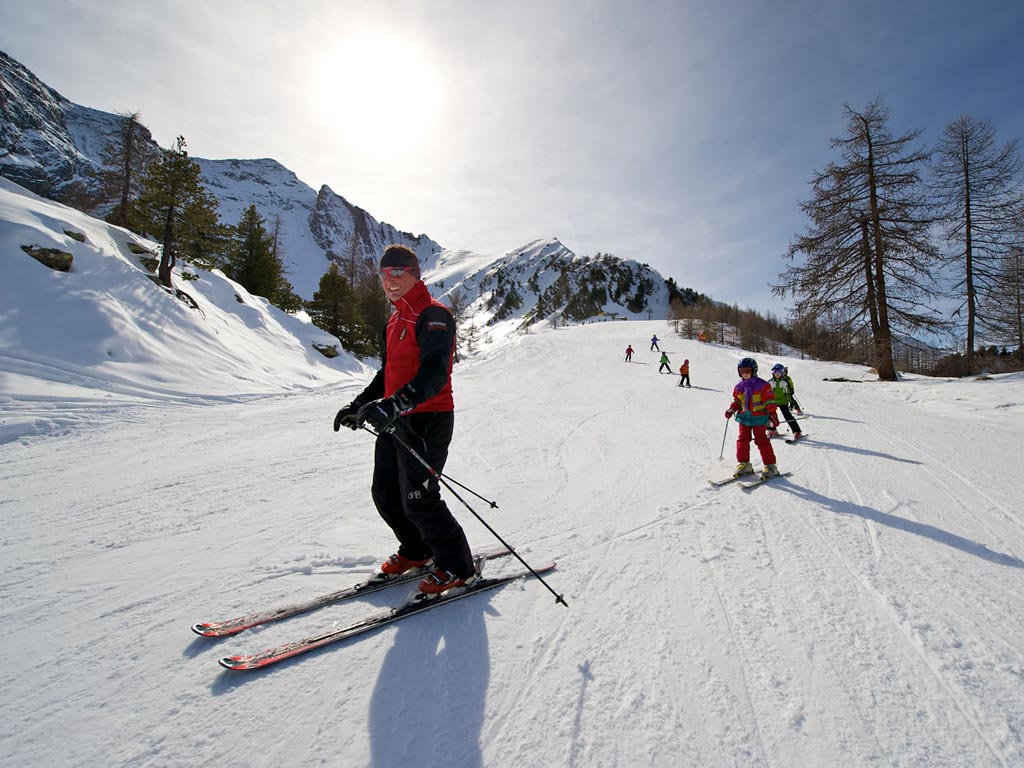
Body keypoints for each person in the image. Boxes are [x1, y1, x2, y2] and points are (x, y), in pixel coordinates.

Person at [333, 244, 474, 595]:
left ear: (415, 275)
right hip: (396, 420)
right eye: (384, 273)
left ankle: (459, 567)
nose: (390, 279)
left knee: (420, 499)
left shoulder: (433, 315)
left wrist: (396, 404)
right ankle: (417, 551)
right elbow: (388, 374)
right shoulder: (395, 320)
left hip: (428, 418)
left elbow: (435, 373)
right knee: (386, 493)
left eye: (398, 272)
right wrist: (360, 404)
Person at [724, 357, 780, 480]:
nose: (745, 374)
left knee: (762, 441)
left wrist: (772, 415)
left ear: (754, 371)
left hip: (759, 419)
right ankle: (744, 464)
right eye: (742, 371)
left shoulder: (763, 385)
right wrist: (731, 409)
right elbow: (738, 401)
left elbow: (770, 401)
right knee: (742, 440)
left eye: (747, 371)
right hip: (744, 419)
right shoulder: (738, 387)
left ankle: (770, 466)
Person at [769, 363, 803, 440]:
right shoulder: (770, 382)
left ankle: (797, 431)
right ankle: (772, 430)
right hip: (773, 403)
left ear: (782, 372)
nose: (777, 374)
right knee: (770, 417)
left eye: (779, 371)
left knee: (788, 416)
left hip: (783, 402)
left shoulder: (784, 382)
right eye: (775, 372)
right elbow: (767, 393)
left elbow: (788, 394)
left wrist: (791, 402)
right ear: (773, 372)